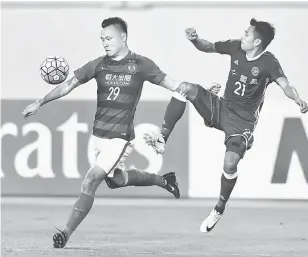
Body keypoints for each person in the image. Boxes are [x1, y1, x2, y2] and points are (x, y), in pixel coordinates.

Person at [22, 17, 219, 248]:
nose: (105, 43)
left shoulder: (141, 64)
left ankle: (65, 232)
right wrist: (40, 102)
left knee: (91, 181)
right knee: (117, 180)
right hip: (97, 138)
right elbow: (68, 84)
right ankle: (164, 180)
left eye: (109, 38)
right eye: (102, 39)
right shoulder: (98, 64)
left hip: (120, 139)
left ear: (123, 37)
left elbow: (175, 85)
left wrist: (203, 90)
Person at [144, 18, 308, 233]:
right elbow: (208, 46)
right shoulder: (235, 47)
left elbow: (285, 84)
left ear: (258, 41)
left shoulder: (269, 62)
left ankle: (219, 208)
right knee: (184, 88)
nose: (243, 36)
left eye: (247, 34)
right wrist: (195, 40)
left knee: (230, 163)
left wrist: (297, 99)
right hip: (221, 107)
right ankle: (162, 138)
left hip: (243, 122)